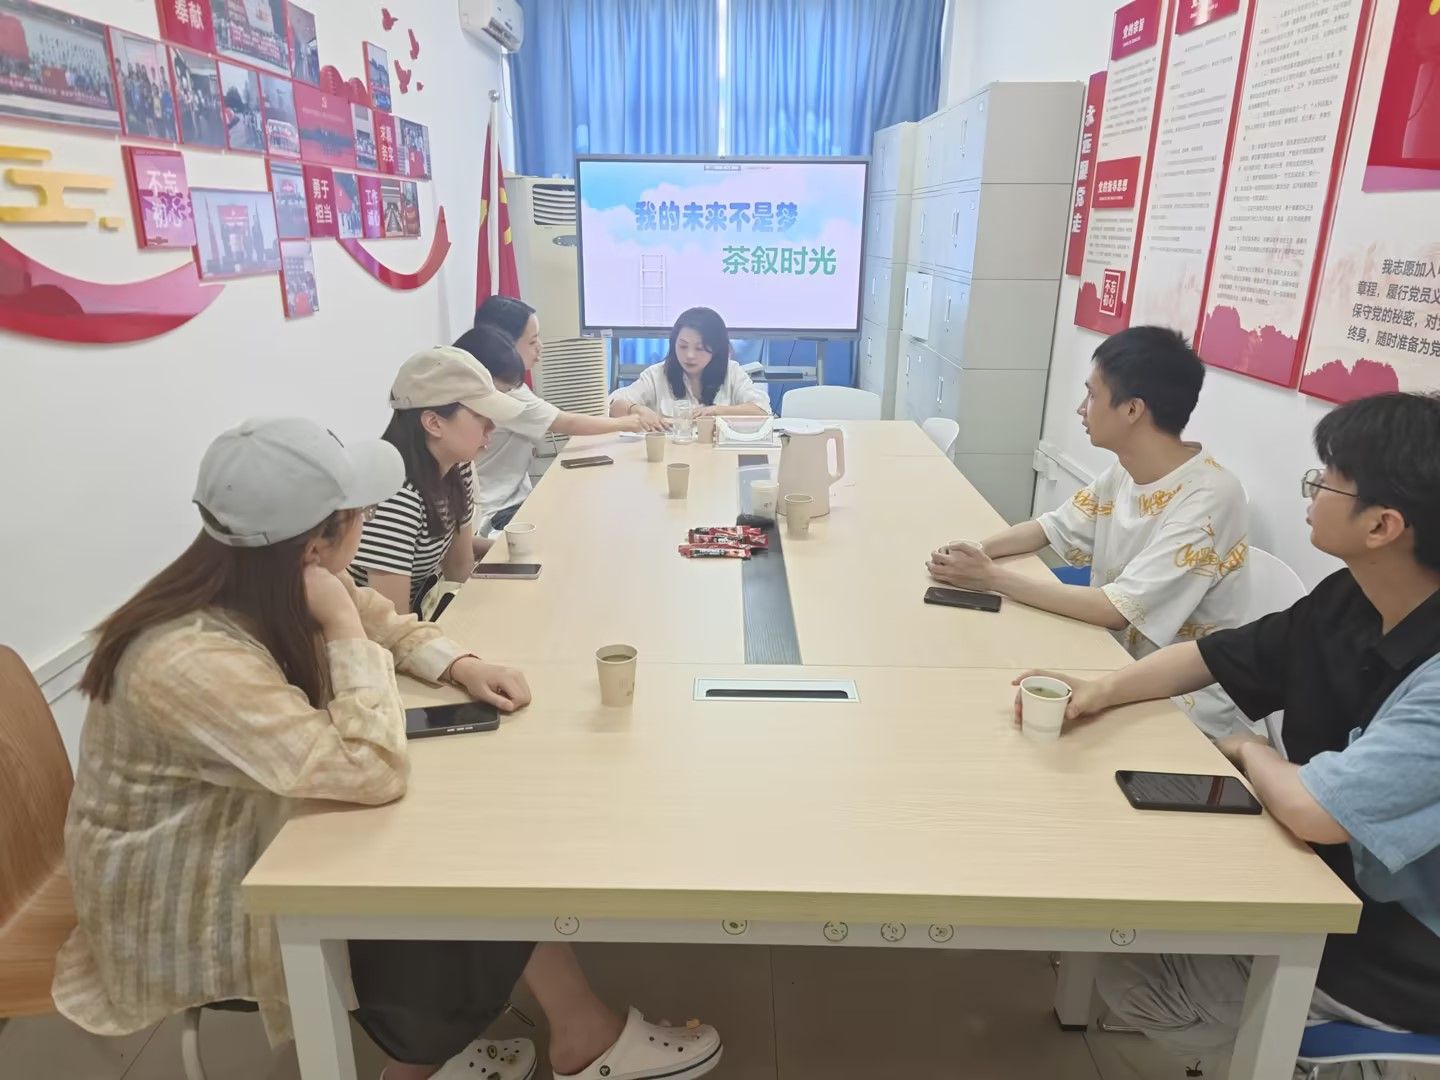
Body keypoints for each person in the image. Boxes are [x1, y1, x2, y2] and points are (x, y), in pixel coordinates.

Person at [51, 416, 723, 1080]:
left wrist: (459, 663)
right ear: (313, 544)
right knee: (462, 862)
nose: (368, 520)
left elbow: (391, 626)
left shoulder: (278, 575)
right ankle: (433, 1058)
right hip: (196, 898)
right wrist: (344, 626)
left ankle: (564, 1030)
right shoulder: (187, 660)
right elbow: (368, 768)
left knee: (477, 828)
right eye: (359, 513)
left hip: (263, 827)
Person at [1014, 392, 1440, 1079]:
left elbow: (1314, 811)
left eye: (1328, 480)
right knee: (1123, 893)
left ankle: (1294, 1052)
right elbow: (1217, 656)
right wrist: (1100, 690)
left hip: (1398, 949)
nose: (1312, 493)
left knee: (1135, 977)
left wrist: (1248, 749)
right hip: (1318, 872)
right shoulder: (1355, 598)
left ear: (1383, 525)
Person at [930, 326, 1251, 738]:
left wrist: (990, 577)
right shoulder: (1127, 469)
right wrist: (974, 552)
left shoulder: (1210, 497)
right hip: (1106, 660)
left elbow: (1115, 611)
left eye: (1093, 395)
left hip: (1174, 701)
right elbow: (1050, 528)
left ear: (1132, 409)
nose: (1081, 409)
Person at [350, 342, 524, 615]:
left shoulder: (457, 467)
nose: (492, 426)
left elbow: (459, 567)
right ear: (433, 423)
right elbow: (391, 625)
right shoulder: (394, 496)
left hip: (421, 614)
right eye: (480, 415)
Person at [469, 298, 646, 534]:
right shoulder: (504, 391)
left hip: (511, 501)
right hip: (497, 511)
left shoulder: (496, 381)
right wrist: (627, 423)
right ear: (503, 345)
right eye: (532, 341)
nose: (540, 346)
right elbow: (566, 423)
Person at [607, 306, 771, 428]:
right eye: (683, 346)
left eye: (699, 348)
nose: (689, 355)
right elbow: (613, 405)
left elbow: (762, 411)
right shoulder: (657, 374)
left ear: (716, 349)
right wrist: (637, 410)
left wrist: (715, 411)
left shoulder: (732, 372)